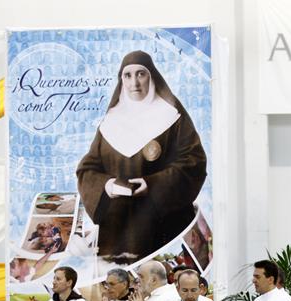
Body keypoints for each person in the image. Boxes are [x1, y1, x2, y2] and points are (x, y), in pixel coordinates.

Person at [76, 50, 207, 262]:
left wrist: (152, 184)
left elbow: (193, 163)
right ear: (121, 80)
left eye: (141, 74)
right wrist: (107, 185)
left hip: (160, 225)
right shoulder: (111, 120)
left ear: (151, 76)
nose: (134, 82)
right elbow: (87, 169)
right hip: (116, 233)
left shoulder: (171, 116)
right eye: (127, 75)